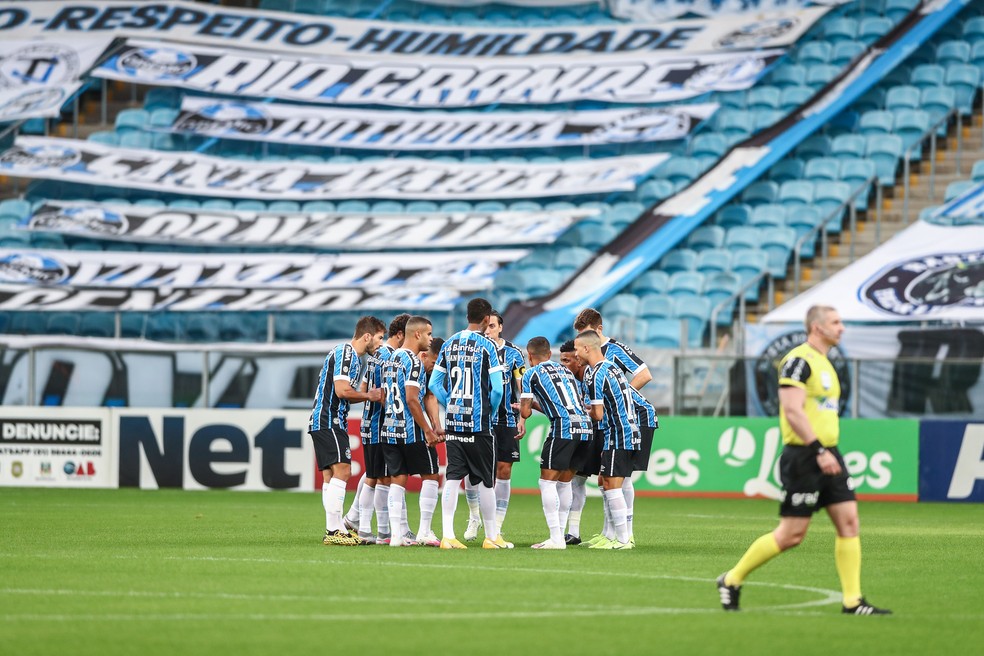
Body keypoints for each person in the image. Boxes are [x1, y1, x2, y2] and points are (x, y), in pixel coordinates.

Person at [717, 305, 891, 615]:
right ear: (817, 327)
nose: (842, 328)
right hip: (805, 455)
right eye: (836, 322)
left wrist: (827, 450)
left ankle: (853, 601)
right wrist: (818, 450)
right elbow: (792, 410)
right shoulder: (798, 361)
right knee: (791, 535)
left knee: (849, 522)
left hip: (828, 451)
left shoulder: (825, 362)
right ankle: (731, 579)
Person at [428, 297, 510, 550]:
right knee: (486, 480)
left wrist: (450, 402)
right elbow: (497, 390)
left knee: (453, 476)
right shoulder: (488, 346)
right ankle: (491, 536)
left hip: (454, 422)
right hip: (479, 423)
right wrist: (490, 411)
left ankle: (449, 536)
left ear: (467, 316)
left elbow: (433, 385)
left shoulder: (449, 343)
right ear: (487, 319)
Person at [573, 308, 654, 546]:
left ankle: (625, 534)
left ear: (598, 331)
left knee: (620, 478)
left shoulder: (610, 356)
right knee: (607, 479)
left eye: (584, 336)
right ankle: (610, 534)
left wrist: (622, 399)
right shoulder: (596, 366)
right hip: (613, 424)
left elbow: (644, 373)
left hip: (629, 421)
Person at [309, 315, 386, 546]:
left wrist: (361, 395)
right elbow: (342, 391)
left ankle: (335, 527)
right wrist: (369, 395)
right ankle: (334, 530)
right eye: (380, 338)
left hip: (325, 420)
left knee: (331, 475)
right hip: (329, 419)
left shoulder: (354, 358)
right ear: (367, 336)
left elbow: (343, 392)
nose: (381, 344)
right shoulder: (346, 353)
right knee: (343, 470)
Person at [518, 336, 593, 550]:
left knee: (547, 482)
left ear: (529, 356)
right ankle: (559, 536)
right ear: (550, 354)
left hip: (564, 427)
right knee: (565, 482)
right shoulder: (567, 372)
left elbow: (525, 412)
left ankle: (555, 538)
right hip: (585, 428)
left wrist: (527, 404)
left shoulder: (530, 373)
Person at [345, 313, 410, 544]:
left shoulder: (376, 355)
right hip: (380, 424)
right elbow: (384, 394)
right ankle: (370, 529)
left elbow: (365, 385)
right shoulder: (390, 356)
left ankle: (363, 524)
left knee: (376, 475)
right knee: (379, 478)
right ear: (401, 335)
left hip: (370, 421)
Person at [461, 310, 526, 542]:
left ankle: (496, 526)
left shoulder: (515, 354)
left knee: (504, 470)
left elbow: (522, 386)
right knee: (471, 469)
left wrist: (523, 418)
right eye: (485, 326)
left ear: (500, 327)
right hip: (478, 418)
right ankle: (474, 517)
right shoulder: (474, 350)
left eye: (491, 326)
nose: (487, 330)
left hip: (506, 419)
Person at [379, 316, 441, 547]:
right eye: (428, 334)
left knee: (398, 478)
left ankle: (397, 536)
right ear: (417, 334)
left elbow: (385, 396)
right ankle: (424, 530)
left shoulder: (390, 358)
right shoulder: (413, 362)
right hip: (410, 429)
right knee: (431, 474)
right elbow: (412, 399)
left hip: (389, 428)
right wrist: (427, 429)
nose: (430, 339)